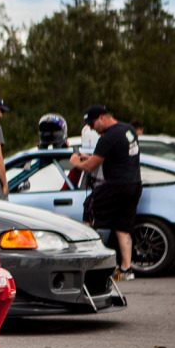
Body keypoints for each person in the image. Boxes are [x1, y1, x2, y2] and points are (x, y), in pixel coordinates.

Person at [70, 105, 142, 280]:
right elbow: (117, 156)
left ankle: (85, 259)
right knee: (122, 227)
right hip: (134, 185)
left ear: (102, 118)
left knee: (90, 208)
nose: (92, 128)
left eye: (93, 123)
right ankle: (126, 269)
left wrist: (75, 162)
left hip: (116, 186)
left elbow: (90, 167)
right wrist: (90, 157)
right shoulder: (128, 129)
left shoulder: (108, 137)